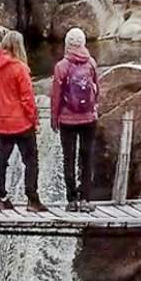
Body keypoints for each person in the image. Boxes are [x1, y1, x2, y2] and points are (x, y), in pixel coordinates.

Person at [0, 30, 47, 212]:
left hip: (2, 121)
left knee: (1, 159)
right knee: (31, 161)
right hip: (22, 123)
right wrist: (35, 120)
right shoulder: (20, 68)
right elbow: (27, 98)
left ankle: (0, 196)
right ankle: (32, 200)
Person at [49, 26, 101, 211]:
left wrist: (54, 118)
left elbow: (56, 96)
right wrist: (94, 110)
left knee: (68, 159)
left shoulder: (61, 67)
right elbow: (96, 89)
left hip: (67, 120)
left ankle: (71, 200)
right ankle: (86, 199)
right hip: (88, 119)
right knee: (86, 159)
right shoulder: (92, 63)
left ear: (67, 44)